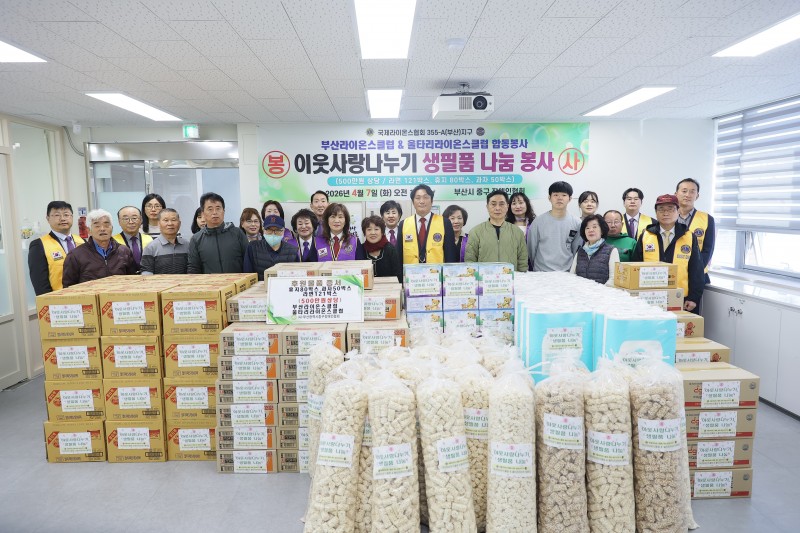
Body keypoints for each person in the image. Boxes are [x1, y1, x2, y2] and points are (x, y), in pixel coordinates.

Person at [633, 194, 704, 313]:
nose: (666, 213)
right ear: (656, 213)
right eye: (661, 209)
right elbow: (636, 265)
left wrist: (693, 297)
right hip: (650, 296)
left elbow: (696, 269)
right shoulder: (646, 235)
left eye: (670, 209)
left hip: (680, 296)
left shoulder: (688, 236)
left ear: (678, 211)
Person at [62, 209, 136, 287]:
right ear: (89, 230)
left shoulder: (124, 251)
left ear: (112, 228)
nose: (102, 229)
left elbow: (132, 280)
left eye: (106, 225)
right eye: (97, 226)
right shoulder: (76, 255)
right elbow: (68, 286)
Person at [28, 201, 86, 295]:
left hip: (85, 297)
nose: (62, 218)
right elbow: (40, 284)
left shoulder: (82, 242)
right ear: (48, 219)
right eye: (57, 215)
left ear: (72, 217)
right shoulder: (39, 245)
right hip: (58, 300)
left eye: (66, 215)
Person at [465, 190, 528, 272]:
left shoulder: (517, 232)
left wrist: (521, 277)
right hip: (484, 278)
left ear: (507, 206)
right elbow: (470, 261)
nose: (497, 208)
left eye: (501, 204)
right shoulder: (476, 232)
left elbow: (522, 262)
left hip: (510, 278)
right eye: (493, 204)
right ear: (487, 207)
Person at [187, 192, 249, 274]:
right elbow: (193, 268)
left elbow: (248, 261)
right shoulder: (196, 239)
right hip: (210, 282)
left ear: (224, 211)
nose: (214, 212)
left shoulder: (237, 233)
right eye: (210, 209)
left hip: (237, 281)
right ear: (203, 213)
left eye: (218, 208)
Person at [395, 184, 458, 265]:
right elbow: (399, 255)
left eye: (426, 197)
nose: (422, 201)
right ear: (413, 202)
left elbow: (450, 254)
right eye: (418, 198)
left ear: (432, 201)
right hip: (410, 271)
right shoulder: (404, 224)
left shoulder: (444, 222)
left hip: (436, 271)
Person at [527, 181, 582, 272]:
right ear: (549, 198)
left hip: (567, 272)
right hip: (541, 272)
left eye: (564, 195)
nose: (559, 198)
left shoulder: (577, 223)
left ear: (570, 198)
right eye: (555, 195)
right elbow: (531, 249)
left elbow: (576, 249)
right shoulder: (538, 222)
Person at [676, 178, 715, 283]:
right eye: (684, 191)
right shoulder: (667, 217)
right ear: (676, 194)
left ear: (697, 196)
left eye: (692, 192)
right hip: (672, 273)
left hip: (697, 275)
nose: (688, 195)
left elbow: (708, 250)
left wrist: (695, 270)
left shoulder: (707, 219)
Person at [243, 215, 300, 280]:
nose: (273, 234)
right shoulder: (253, 247)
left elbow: (297, 276)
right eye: (269, 230)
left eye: (277, 230)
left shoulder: (292, 251)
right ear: (263, 230)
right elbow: (247, 275)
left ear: (283, 231)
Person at [570, 214, 620, 286]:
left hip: (603, 292)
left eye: (594, 227)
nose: (591, 230)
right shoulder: (580, 251)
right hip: (580, 292)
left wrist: (598, 291)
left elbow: (614, 278)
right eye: (587, 228)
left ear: (602, 231)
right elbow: (572, 276)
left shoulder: (611, 251)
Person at [140, 208, 190, 275]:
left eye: (173, 220)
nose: (170, 223)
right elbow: (146, 272)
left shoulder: (187, 245)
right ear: (159, 223)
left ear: (179, 223)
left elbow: (193, 268)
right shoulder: (151, 247)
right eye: (166, 220)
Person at [361, 215, 402, 282]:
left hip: (389, 287)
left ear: (382, 232)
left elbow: (398, 275)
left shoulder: (390, 249)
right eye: (369, 229)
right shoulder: (360, 249)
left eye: (376, 229)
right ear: (364, 232)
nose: (373, 233)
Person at [113, 206, 153, 271]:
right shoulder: (113, 241)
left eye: (134, 218)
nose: (131, 222)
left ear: (141, 220)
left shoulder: (149, 239)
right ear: (119, 222)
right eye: (126, 219)